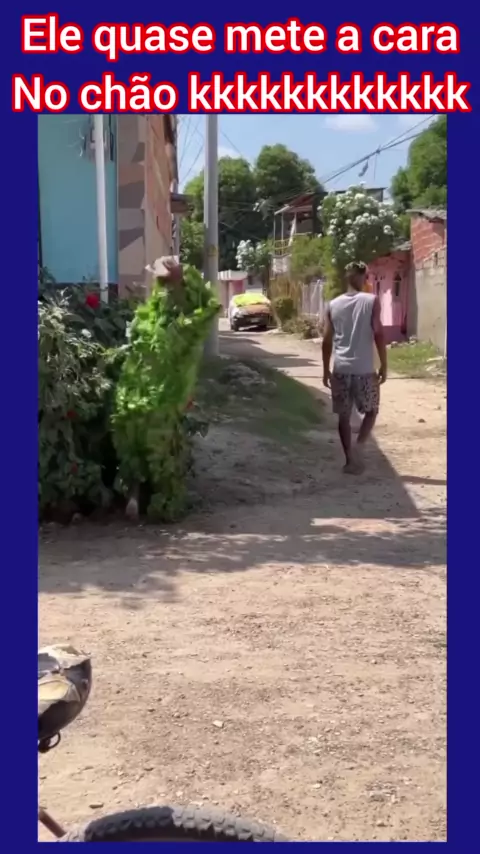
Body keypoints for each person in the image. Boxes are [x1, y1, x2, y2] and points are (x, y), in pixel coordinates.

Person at [322, 261, 387, 474]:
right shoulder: (372, 301)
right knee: (371, 411)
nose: (366, 281)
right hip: (364, 370)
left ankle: (349, 460)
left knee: (343, 416)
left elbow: (326, 340)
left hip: (341, 369)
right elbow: (378, 334)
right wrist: (384, 364)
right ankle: (359, 446)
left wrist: (325, 370)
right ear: (360, 277)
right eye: (366, 277)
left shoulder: (333, 305)